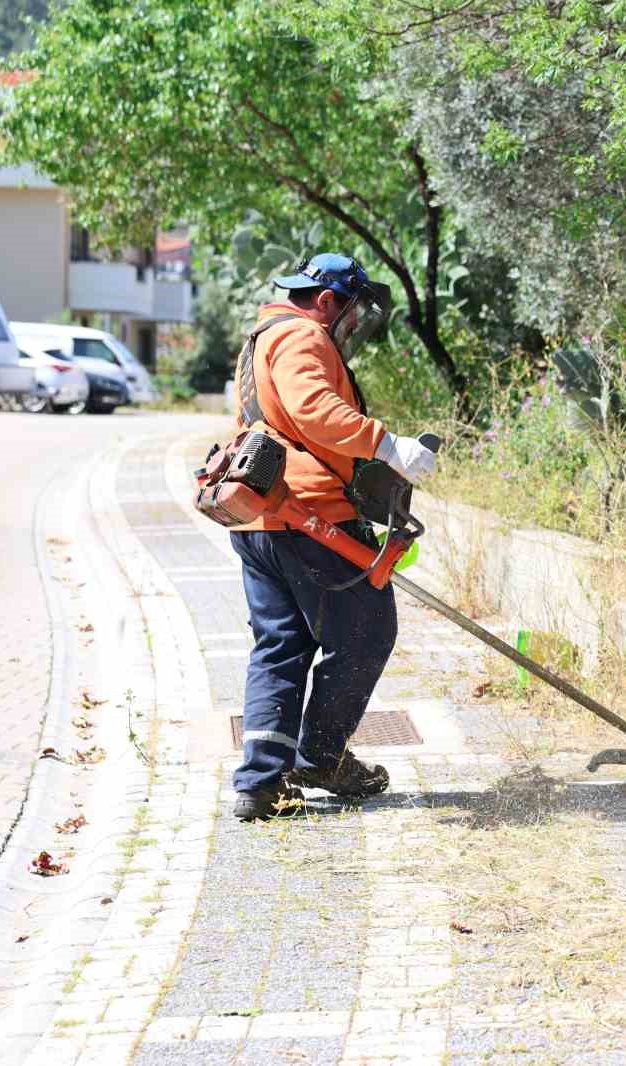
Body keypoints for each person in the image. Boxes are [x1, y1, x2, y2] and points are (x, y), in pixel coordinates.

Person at [228, 253, 438, 821]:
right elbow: (313, 409)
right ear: (326, 301)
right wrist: (388, 444)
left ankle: (261, 783)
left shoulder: (261, 338)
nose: (351, 325)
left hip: (261, 519)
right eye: (351, 311)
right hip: (310, 517)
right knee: (368, 629)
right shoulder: (303, 336)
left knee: (282, 646)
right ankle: (320, 757)